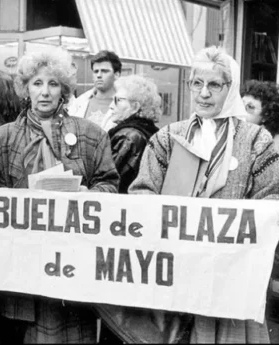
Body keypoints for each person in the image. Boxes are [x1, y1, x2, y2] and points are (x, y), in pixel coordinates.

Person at [101, 46, 279, 343]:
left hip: (229, 281)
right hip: (177, 276)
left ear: (230, 88)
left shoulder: (256, 140)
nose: (204, 93)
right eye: (197, 83)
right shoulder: (169, 138)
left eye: (214, 85)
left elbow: (272, 201)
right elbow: (142, 194)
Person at [0, 49, 119, 343]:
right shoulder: (0, 139)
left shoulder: (93, 135)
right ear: (25, 88)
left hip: (72, 262)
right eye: (37, 83)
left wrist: (89, 195)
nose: (45, 92)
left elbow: (110, 186)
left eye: (53, 84)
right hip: (21, 266)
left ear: (64, 90)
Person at [108, 75, 161, 193]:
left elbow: (108, 182)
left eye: (118, 100)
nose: (111, 106)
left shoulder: (128, 137)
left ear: (135, 107)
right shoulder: (148, 131)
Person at [68, 50, 122, 131]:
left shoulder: (123, 106)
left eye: (104, 71)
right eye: (96, 71)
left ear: (117, 75)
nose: (99, 75)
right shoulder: (80, 101)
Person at [241, 79, 279, 150]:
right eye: (240, 105)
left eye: (250, 107)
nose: (241, 112)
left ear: (265, 115)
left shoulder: (272, 145)